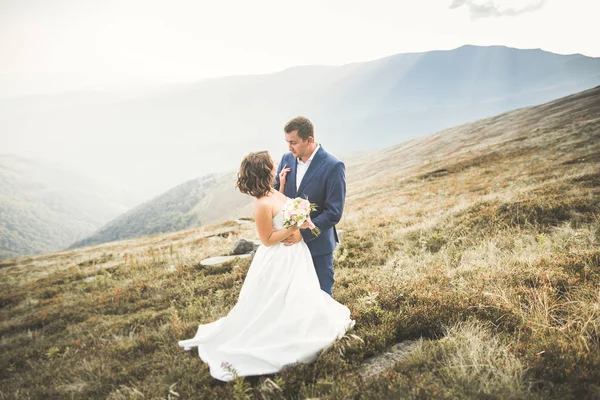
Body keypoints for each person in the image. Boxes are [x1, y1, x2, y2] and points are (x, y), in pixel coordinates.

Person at [178, 151, 354, 382]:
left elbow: (280, 208)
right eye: (272, 164)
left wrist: (285, 191)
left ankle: (301, 326)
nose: (276, 164)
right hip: (278, 259)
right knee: (277, 300)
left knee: (299, 295)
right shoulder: (260, 203)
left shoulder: (272, 192)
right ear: (265, 170)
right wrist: (295, 229)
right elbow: (268, 239)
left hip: (295, 256)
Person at [275, 116, 345, 296]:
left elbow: (333, 212)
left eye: (293, 143)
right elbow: (276, 194)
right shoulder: (286, 159)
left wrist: (302, 232)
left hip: (318, 246)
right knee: (294, 296)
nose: (289, 148)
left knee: (322, 294)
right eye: (287, 142)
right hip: (289, 247)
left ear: (309, 140)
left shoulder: (333, 166)